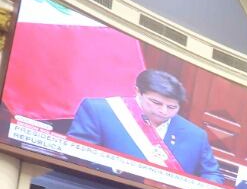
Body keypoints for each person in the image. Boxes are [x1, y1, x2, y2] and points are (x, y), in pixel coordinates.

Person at [67, 69, 223, 182]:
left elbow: (213, 175)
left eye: (172, 107)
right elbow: (76, 157)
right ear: (138, 92)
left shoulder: (196, 135)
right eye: (156, 103)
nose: (163, 111)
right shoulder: (100, 110)